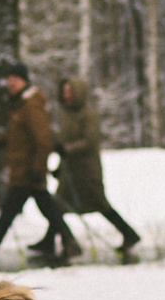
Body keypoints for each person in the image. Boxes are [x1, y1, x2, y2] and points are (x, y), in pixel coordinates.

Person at [0, 58, 73, 271]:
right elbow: (20, 138)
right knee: (40, 210)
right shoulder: (21, 105)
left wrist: (38, 170)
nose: (11, 83)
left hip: (28, 172)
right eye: (9, 79)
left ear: (24, 81)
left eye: (15, 79)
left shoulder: (31, 105)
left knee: (9, 213)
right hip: (24, 171)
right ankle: (70, 243)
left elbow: (43, 140)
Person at [53, 72, 141, 259]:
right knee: (57, 206)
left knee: (100, 204)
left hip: (86, 171)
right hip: (70, 172)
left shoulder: (88, 115)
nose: (67, 94)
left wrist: (67, 149)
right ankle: (58, 242)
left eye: (70, 91)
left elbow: (90, 140)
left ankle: (129, 234)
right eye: (65, 91)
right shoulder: (66, 115)